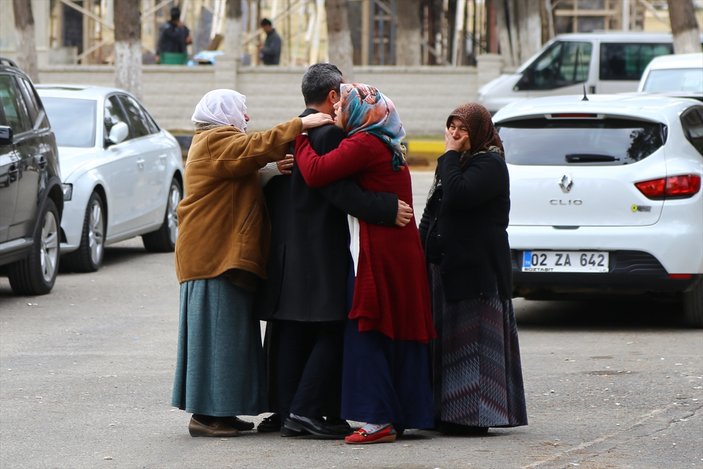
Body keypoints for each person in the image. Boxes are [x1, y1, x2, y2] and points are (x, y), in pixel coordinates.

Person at [255, 64, 409, 439]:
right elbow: (334, 189)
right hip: (318, 249)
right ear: (331, 97)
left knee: (290, 331)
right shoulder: (324, 134)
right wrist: (385, 208)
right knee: (333, 328)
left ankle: (287, 409)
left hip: (287, 249)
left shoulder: (291, 130)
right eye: (342, 93)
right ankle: (305, 411)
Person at [171, 89, 332, 438]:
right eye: (241, 112)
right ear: (223, 114)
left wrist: (269, 170)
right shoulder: (215, 139)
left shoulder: (216, 144)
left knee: (228, 339)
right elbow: (251, 148)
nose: (246, 118)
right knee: (216, 338)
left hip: (219, 255)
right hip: (212, 257)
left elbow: (235, 176)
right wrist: (300, 124)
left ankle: (221, 412)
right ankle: (205, 416)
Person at [294, 83, 435, 444]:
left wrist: (300, 135)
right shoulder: (386, 141)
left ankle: (375, 421)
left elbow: (316, 173)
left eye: (342, 106)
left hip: (379, 250)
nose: (336, 111)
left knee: (367, 327)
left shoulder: (363, 144)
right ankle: (401, 413)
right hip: (398, 248)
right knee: (396, 329)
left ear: (360, 113)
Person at [418, 102, 528, 435]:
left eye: (462, 128)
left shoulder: (490, 164)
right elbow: (435, 209)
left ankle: (474, 416)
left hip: (477, 270)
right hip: (447, 265)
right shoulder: (456, 162)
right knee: (447, 342)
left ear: (477, 131)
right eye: (451, 126)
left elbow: (459, 194)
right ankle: (444, 411)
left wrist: (449, 156)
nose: (454, 133)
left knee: (474, 343)